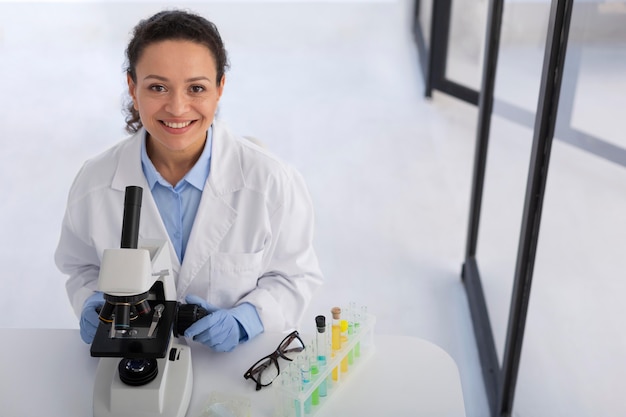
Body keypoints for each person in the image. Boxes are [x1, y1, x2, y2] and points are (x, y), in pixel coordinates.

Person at [54, 10, 323, 352]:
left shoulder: (271, 181)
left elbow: (295, 276)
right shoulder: (95, 182)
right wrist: (91, 300)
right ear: (133, 88)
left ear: (219, 88)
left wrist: (247, 320)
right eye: (157, 87)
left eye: (196, 88)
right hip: (133, 361)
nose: (178, 108)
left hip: (236, 368)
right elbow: (81, 267)